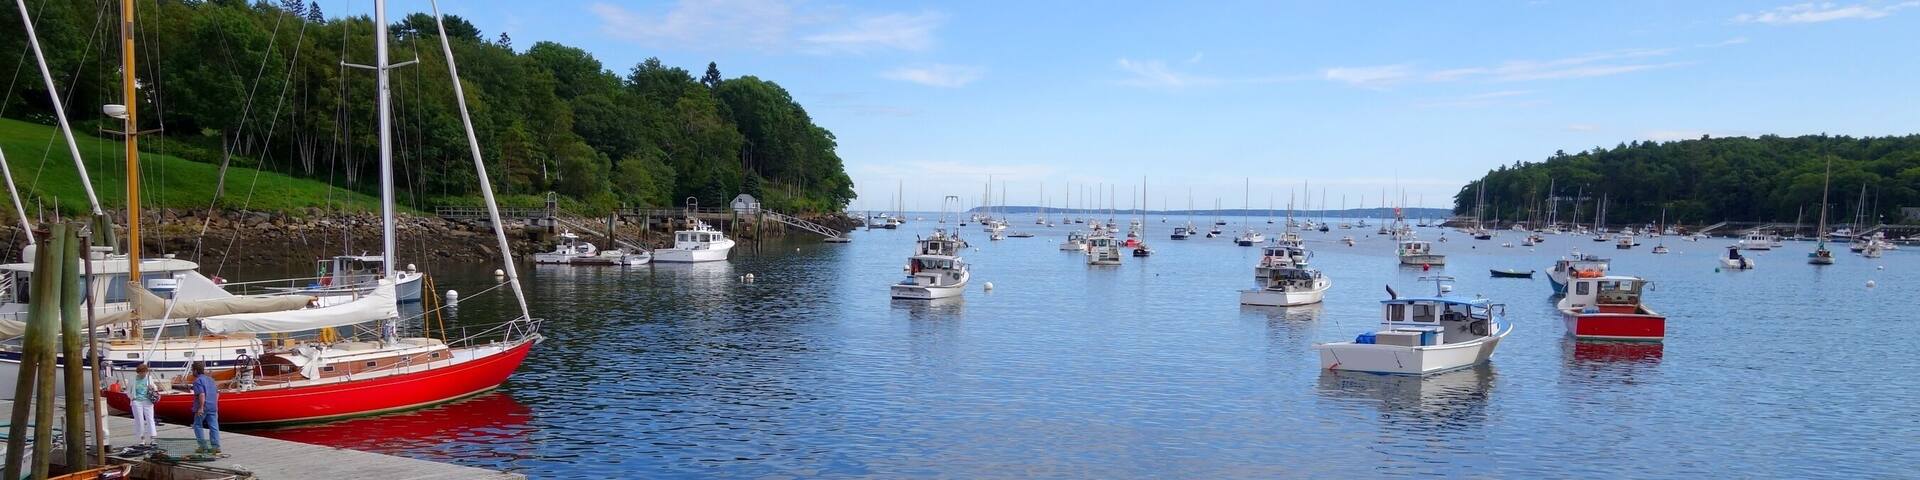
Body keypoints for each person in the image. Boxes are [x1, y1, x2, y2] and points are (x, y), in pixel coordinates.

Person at [190, 362, 220, 455]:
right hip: (213, 406)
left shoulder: (197, 381)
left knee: (197, 425)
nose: (192, 372)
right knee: (214, 426)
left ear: (195, 370)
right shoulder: (211, 379)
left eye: (192, 370)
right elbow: (217, 393)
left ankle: (203, 447)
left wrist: (201, 407)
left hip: (203, 407)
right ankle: (216, 447)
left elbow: (202, 394)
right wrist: (215, 404)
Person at [130, 363, 159, 447]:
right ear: (138, 372)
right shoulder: (133, 379)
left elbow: (155, 388)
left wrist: (152, 388)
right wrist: (132, 398)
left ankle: (153, 438)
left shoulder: (149, 378)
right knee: (139, 420)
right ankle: (141, 439)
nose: (143, 374)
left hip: (148, 401)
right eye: (141, 373)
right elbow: (129, 390)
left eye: (145, 372)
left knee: (150, 419)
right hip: (137, 401)